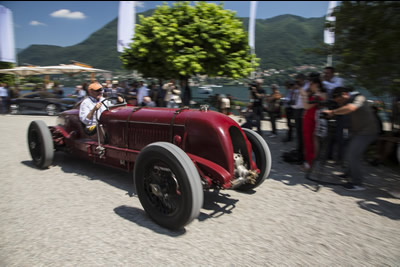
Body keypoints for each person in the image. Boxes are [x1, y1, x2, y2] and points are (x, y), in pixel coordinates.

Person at [323, 87, 379, 191]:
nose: (339, 103)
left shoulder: (359, 98)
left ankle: (358, 183)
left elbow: (350, 108)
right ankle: (348, 174)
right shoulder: (347, 100)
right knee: (348, 151)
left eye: (340, 101)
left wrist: (333, 112)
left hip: (367, 132)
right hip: (356, 131)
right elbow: (344, 111)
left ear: (344, 94)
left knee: (353, 154)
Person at [301, 75, 327, 170]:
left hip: (313, 120)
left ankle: (310, 163)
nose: (309, 86)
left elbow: (306, 106)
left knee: (310, 141)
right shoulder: (314, 94)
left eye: (311, 84)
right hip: (309, 118)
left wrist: (303, 95)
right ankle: (309, 161)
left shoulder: (320, 94)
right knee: (309, 141)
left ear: (316, 84)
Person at [290, 73, 309, 163]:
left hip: (302, 110)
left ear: (303, 79)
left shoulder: (306, 87)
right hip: (296, 110)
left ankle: (303, 153)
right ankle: (299, 149)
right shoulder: (297, 88)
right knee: (298, 132)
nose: (297, 83)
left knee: (302, 132)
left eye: (298, 81)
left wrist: (299, 88)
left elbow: (305, 96)